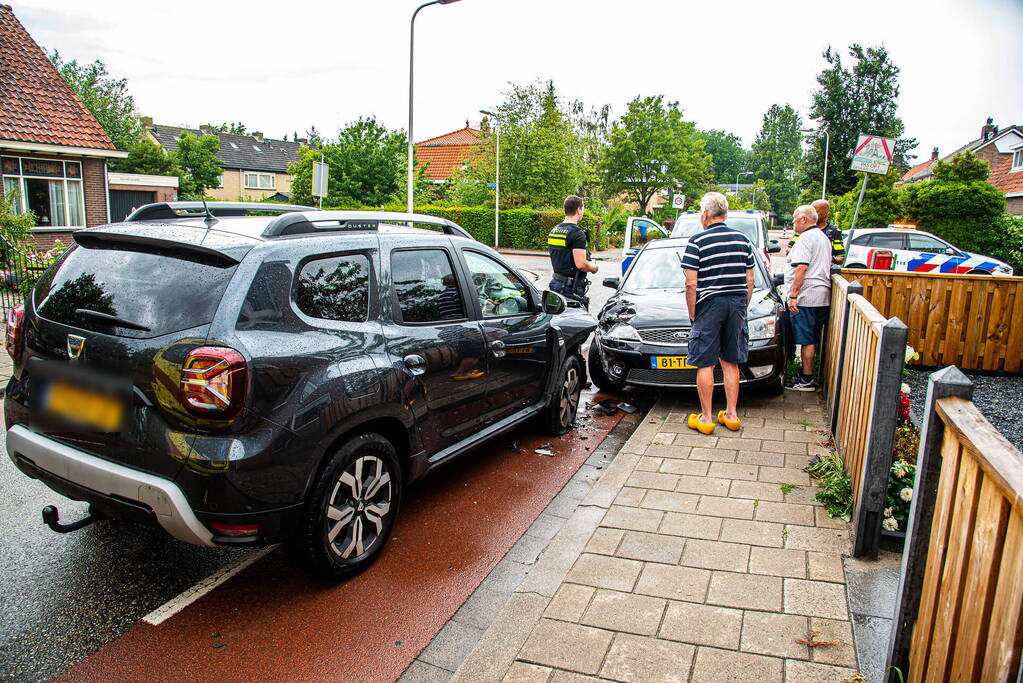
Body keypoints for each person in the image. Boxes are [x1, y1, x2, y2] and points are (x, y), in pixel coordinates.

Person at [681, 192, 756, 435]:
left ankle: (706, 418)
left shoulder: (697, 241)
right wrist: (742, 306)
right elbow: (750, 280)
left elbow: (691, 284)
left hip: (709, 305)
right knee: (731, 361)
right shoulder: (743, 240)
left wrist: (693, 312)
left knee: (705, 362)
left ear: (705, 214)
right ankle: (732, 415)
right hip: (737, 303)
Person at [785, 204, 833, 391]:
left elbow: (802, 267)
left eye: (795, 219)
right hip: (821, 295)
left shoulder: (806, 238)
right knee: (811, 337)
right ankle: (807, 376)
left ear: (804, 219)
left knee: (806, 340)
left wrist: (793, 295)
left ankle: (806, 379)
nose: (793, 223)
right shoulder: (822, 237)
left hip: (807, 296)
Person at [547, 195, 598, 308]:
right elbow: (581, 264)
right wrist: (594, 268)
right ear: (578, 210)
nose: (582, 212)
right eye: (582, 209)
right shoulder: (577, 233)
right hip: (570, 289)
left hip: (556, 284)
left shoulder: (554, 230)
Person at [785, 199, 845, 265]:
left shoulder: (834, 232)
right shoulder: (803, 229)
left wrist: (831, 259)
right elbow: (789, 249)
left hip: (823, 270)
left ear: (825, 213)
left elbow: (841, 258)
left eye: (816, 211)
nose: (812, 214)